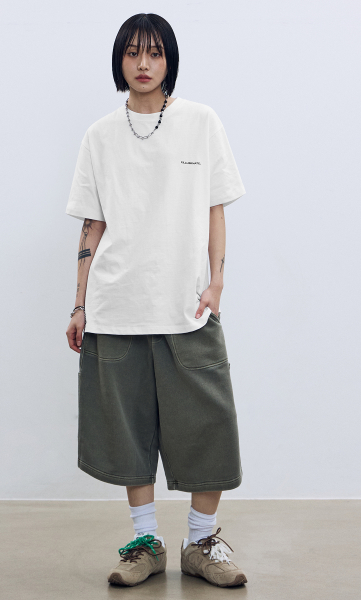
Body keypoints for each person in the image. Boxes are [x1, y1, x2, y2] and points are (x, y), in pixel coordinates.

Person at [65, 13, 248, 588]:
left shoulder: (201, 122)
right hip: (116, 305)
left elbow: (216, 208)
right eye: (132, 53)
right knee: (129, 431)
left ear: (170, 59)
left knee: (209, 426)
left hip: (186, 306)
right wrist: (79, 305)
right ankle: (146, 543)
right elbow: (93, 224)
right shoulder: (100, 135)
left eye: (155, 53)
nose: (143, 64)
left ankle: (201, 542)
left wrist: (217, 283)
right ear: (119, 60)